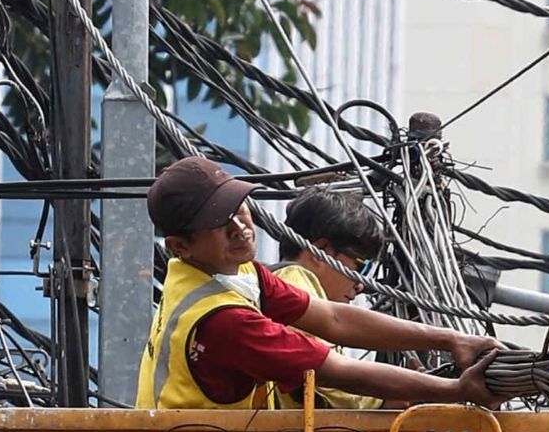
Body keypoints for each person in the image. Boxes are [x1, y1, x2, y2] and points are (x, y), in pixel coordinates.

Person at [136, 155, 501, 412]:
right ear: (180, 246)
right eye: (218, 222)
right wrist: (454, 390)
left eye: (238, 206)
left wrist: (452, 339)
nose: (240, 226)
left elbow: (332, 319)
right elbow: (333, 371)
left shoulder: (231, 273)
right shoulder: (222, 319)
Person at [277, 185, 388, 410]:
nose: (360, 284)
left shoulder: (279, 284)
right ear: (321, 251)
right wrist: (385, 398)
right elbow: (326, 377)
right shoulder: (293, 280)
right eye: (359, 266)